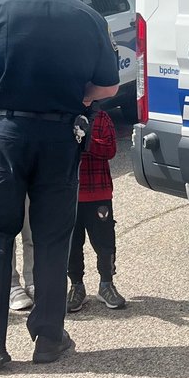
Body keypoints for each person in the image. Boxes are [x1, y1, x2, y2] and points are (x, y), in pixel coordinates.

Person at [0, 0, 119, 371]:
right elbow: (109, 87)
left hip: (7, 134)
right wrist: (77, 96)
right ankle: (49, 338)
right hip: (62, 136)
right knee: (52, 238)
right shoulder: (89, 17)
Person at [67, 105, 127, 313]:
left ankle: (106, 284)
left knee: (105, 242)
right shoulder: (63, 116)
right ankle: (76, 286)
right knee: (72, 244)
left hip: (98, 192)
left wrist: (86, 140)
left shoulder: (102, 118)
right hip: (69, 193)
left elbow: (110, 150)